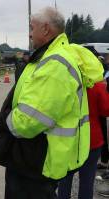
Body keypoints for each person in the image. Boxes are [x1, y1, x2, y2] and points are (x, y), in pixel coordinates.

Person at [0, 7, 103, 198]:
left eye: (32, 28)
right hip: (42, 154)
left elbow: (28, 122)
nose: (30, 34)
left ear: (46, 29)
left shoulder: (55, 63)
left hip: (37, 158)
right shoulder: (56, 56)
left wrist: (6, 120)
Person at [57, 54, 109, 198]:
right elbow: (106, 110)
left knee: (64, 181)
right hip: (92, 141)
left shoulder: (61, 84)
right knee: (87, 182)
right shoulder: (97, 85)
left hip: (67, 140)